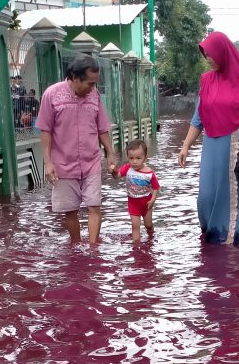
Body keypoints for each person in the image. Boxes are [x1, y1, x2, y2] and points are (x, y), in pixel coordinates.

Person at [177, 31, 239, 247]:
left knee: (231, 197)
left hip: (234, 146)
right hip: (211, 146)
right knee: (206, 198)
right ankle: (211, 241)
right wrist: (185, 146)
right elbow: (198, 118)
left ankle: (230, 247)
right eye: (205, 55)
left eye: (211, 54)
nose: (208, 59)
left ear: (223, 52)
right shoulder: (207, 81)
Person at [36, 54, 117, 245]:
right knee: (70, 211)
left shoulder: (95, 97)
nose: (93, 88)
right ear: (74, 77)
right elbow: (45, 130)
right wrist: (48, 163)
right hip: (63, 164)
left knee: (94, 206)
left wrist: (110, 153)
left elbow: (102, 128)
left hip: (91, 162)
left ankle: (93, 249)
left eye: (95, 83)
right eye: (89, 83)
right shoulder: (52, 95)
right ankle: (76, 245)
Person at [115, 138, 160, 242]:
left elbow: (156, 187)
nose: (134, 161)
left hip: (146, 203)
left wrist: (153, 200)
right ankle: (136, 247)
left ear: (145, 157)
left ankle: (151, 235)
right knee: (135, 226)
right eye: (131, 158)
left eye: (138, 158)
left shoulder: (149, 173)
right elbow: (117, 175)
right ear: (128, 157)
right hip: (133, 203)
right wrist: (114, 172)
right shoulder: (128, 168)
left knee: (148, 225)